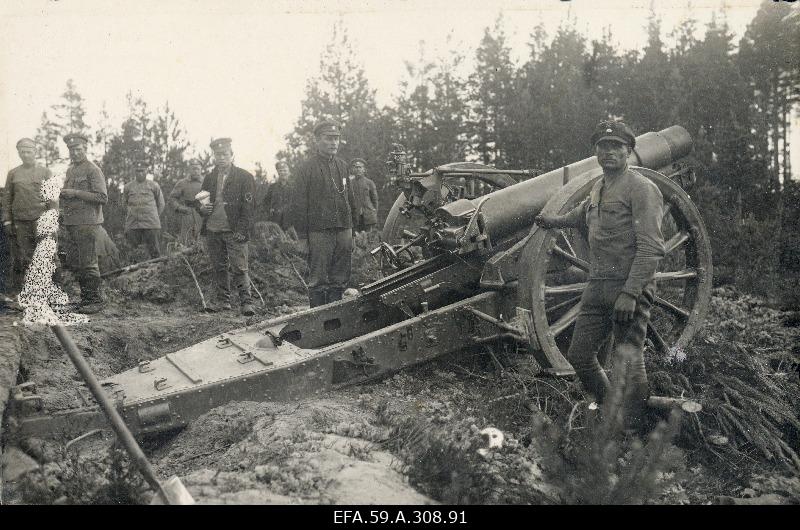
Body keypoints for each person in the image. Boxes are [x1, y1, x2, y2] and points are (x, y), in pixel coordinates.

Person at [534, 120, 665, 430]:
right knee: (579, 355)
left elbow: (651, 248)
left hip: (628, 288)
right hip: (597, 287)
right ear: (595, 152)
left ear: (630, 151)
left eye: (616, 146)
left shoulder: (642, 189)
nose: (608, 152)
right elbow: (582, 213)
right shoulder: (599, 186)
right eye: (602, 147)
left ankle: (638, 431)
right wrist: (552, 221)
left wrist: (631, 293)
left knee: (629, 363)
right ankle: (613, 414)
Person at [289, 120, 358, 308]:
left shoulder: (342, 166)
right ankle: (317, 318)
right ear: (317, 141)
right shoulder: (306, 168)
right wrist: (303, 237)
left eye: (336, 139)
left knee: (340, 277)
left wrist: (353, 231)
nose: (333, 143)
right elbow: (298, 205)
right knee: (318, 279)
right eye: (328, 139)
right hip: (319, 231)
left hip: (343, 228)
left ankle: (335, 315)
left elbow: (350, 200)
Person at [197, 138, 256, 316]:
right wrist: (202, 209)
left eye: (225, 154)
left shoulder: (245, 177)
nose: (221, 157)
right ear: (214, 156)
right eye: (217, 154)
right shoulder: (209, 178)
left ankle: (246, 303)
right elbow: (200, 200)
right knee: (218, 267)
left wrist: (242, 230)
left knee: (239, 267)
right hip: (213, 228)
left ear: (232, 155)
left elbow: (249, 207)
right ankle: (223, 302)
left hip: (234, 230)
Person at [60, 133, 108, 314]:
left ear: (85, 149)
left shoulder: (93, 169)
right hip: (73, 223)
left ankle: (95, 301)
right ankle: (86, 299)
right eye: (72, 150)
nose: (75, 153)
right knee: (79, 262)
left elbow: (102, 197)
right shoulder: (71, 170)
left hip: (88, 223)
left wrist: (75, 192)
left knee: (88, 262)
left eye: (78, 149)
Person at [2, 138, 54, 290]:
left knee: (46, 256)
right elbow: (6, 199)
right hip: (20, 222)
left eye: (29, 152)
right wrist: (6, 221)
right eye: (22, 152)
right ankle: (26, 292)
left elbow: (52, 199)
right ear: (19, 153)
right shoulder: (13, 174)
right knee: (24, 257)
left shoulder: (45, 172)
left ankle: (49, 291)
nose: (25, 155)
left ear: (35, 152)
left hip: (41, 221)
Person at [122, 154, 165, 260]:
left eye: (142, 170)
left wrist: (154, 216)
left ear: (146, 171)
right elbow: (123, 204)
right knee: (133, 253)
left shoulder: (154, 185)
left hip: (151, 224)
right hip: (133, 224)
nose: (140, 173)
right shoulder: (128, 187)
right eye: (138, 171)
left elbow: (161, 204)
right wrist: (131, 215)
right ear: (134, 172)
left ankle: (157, 274)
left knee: (154, 252)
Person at [169, 158, 204, 247]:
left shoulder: (206, 182)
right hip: (187, 214)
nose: (195, 171)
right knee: (186, 241)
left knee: (202, 240)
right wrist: (180, 208)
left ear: (201, 169)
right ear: (189, 169)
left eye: (197, 169)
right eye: (193, 169)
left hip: (203, 215)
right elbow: (172, 198)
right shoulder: (183, 183)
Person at [349, 158, 379, 233]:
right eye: (356, 167)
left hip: (368, 216)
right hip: (355, 217)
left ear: (364, 170)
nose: (358, 169)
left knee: (369, 238)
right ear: (353, 169)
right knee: (356, 238)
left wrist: (373, 212)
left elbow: (375, 200)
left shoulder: (369, 183)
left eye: (360, 167)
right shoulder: (350, 184)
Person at [264, 161, 292, 230]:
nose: (283, 173)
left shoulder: (294, 187)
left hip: (291, 223)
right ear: (278, 172)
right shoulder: (272, 187)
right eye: (280, 171)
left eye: (285, 170)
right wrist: (269, 210)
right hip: (275, 223)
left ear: (289, 172)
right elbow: (265, 203)